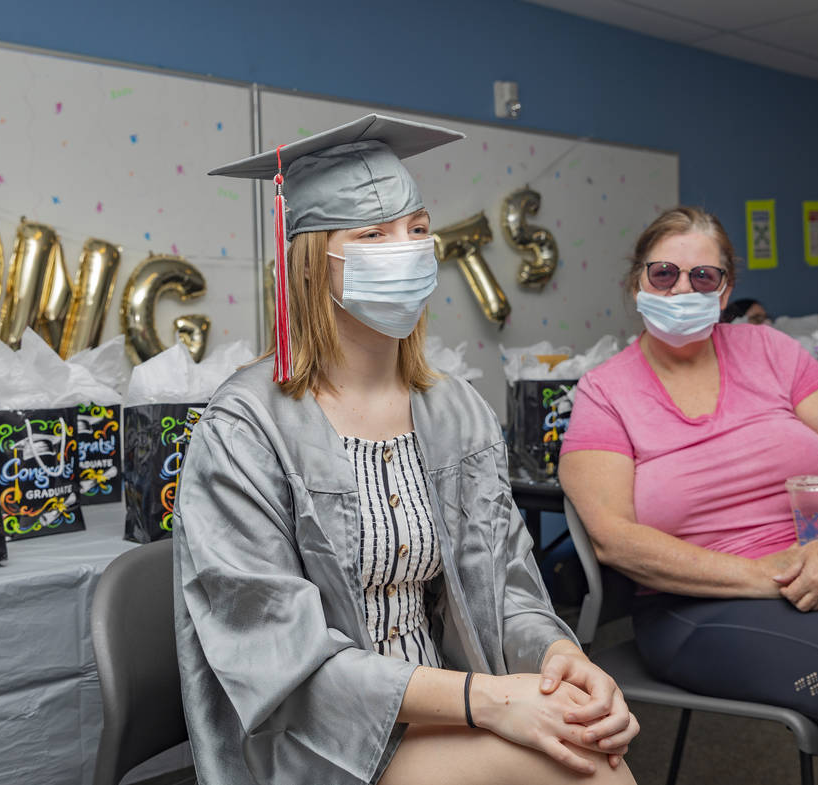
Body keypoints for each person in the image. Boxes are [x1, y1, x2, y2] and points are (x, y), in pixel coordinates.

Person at [172, 114, 639, 785]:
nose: (408, 248)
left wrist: (561, 659)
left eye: (418, 230)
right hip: (320, 737)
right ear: (312, 261)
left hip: (453, 707)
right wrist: (490, 700)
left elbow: (505, 586)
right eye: (373, 235)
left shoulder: (453, 411)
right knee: (584, 768)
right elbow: (286, 663)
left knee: (584, 744)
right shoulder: (245, 430)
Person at [559, 206, 818, 785]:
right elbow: (614, 539)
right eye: (664, 273)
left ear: (725, 292)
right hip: (698, 604)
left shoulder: (771, 351)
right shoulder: (604, 393)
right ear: (637, 281)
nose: (681, 289)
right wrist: (770, 574)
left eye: (703, 277)